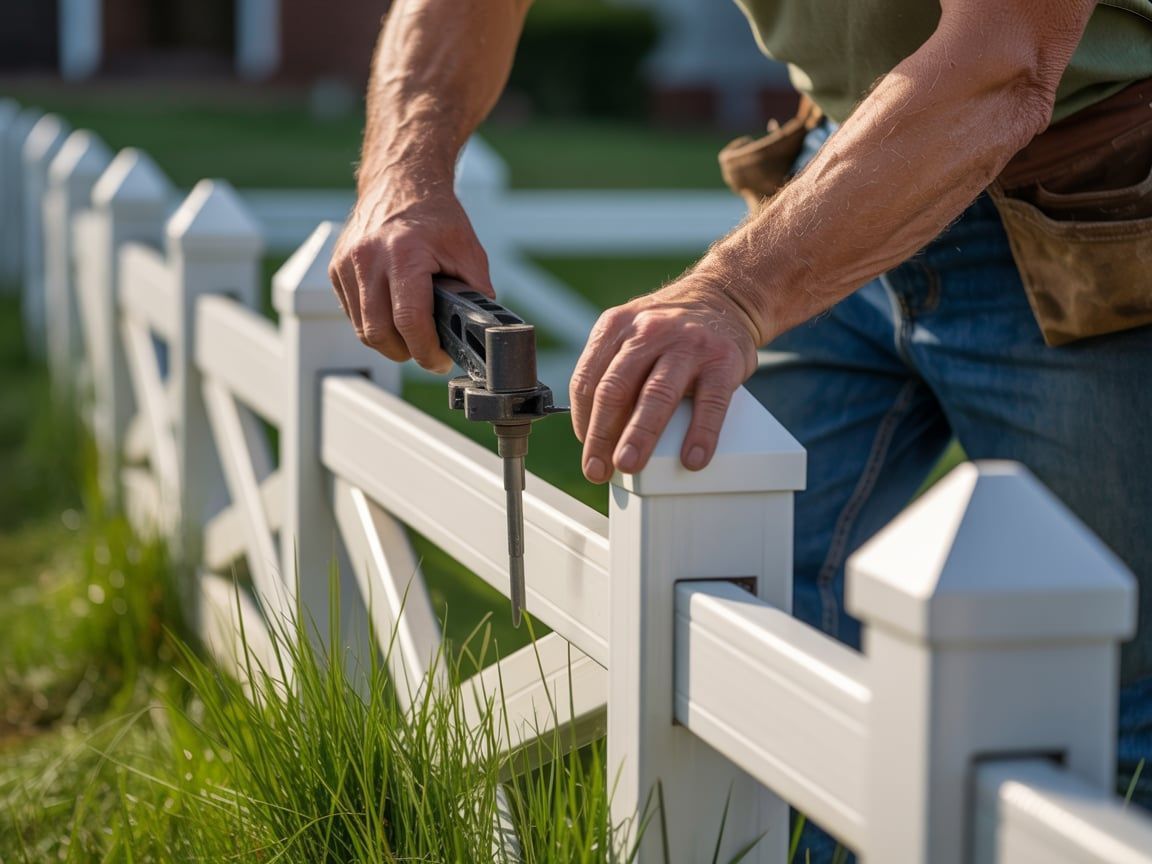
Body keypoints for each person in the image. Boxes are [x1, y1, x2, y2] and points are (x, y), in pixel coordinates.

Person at [330, 0, 1152, 855]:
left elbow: (1006, 59)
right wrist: (404, 176)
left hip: (1096, 191)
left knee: (1115, 715)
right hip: (846, 173)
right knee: (735, 633)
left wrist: (731, 294)